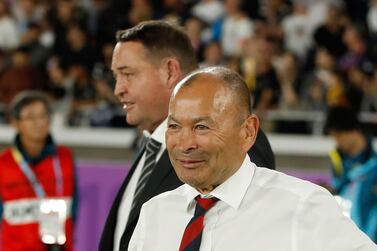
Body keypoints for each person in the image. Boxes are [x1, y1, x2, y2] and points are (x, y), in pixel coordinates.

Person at [128, 66, 377, 251]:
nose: (185, 144)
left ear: (248, 132)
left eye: (201, 127)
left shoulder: (303, 207)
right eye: (173, 127)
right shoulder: (154, 214)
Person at [100, 20, 275, 251]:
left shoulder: (234, 137)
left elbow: (249, 227)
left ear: (170, 72)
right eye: (116, 76)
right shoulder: (151, 144)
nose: (118, 89)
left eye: (128, 74)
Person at [0, 91, 77, 251]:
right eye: (30, 117)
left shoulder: (65, 157)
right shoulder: (3, 163)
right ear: (15, 123)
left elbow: (74, 207)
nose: (38, 122)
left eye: (43, 116)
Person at [325, 106, 377, 242]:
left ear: (353, 130)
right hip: (348, 234)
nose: (337, 141)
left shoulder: (374, 158)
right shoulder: (336, 158)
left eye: (339, 136)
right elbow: (339, 190)